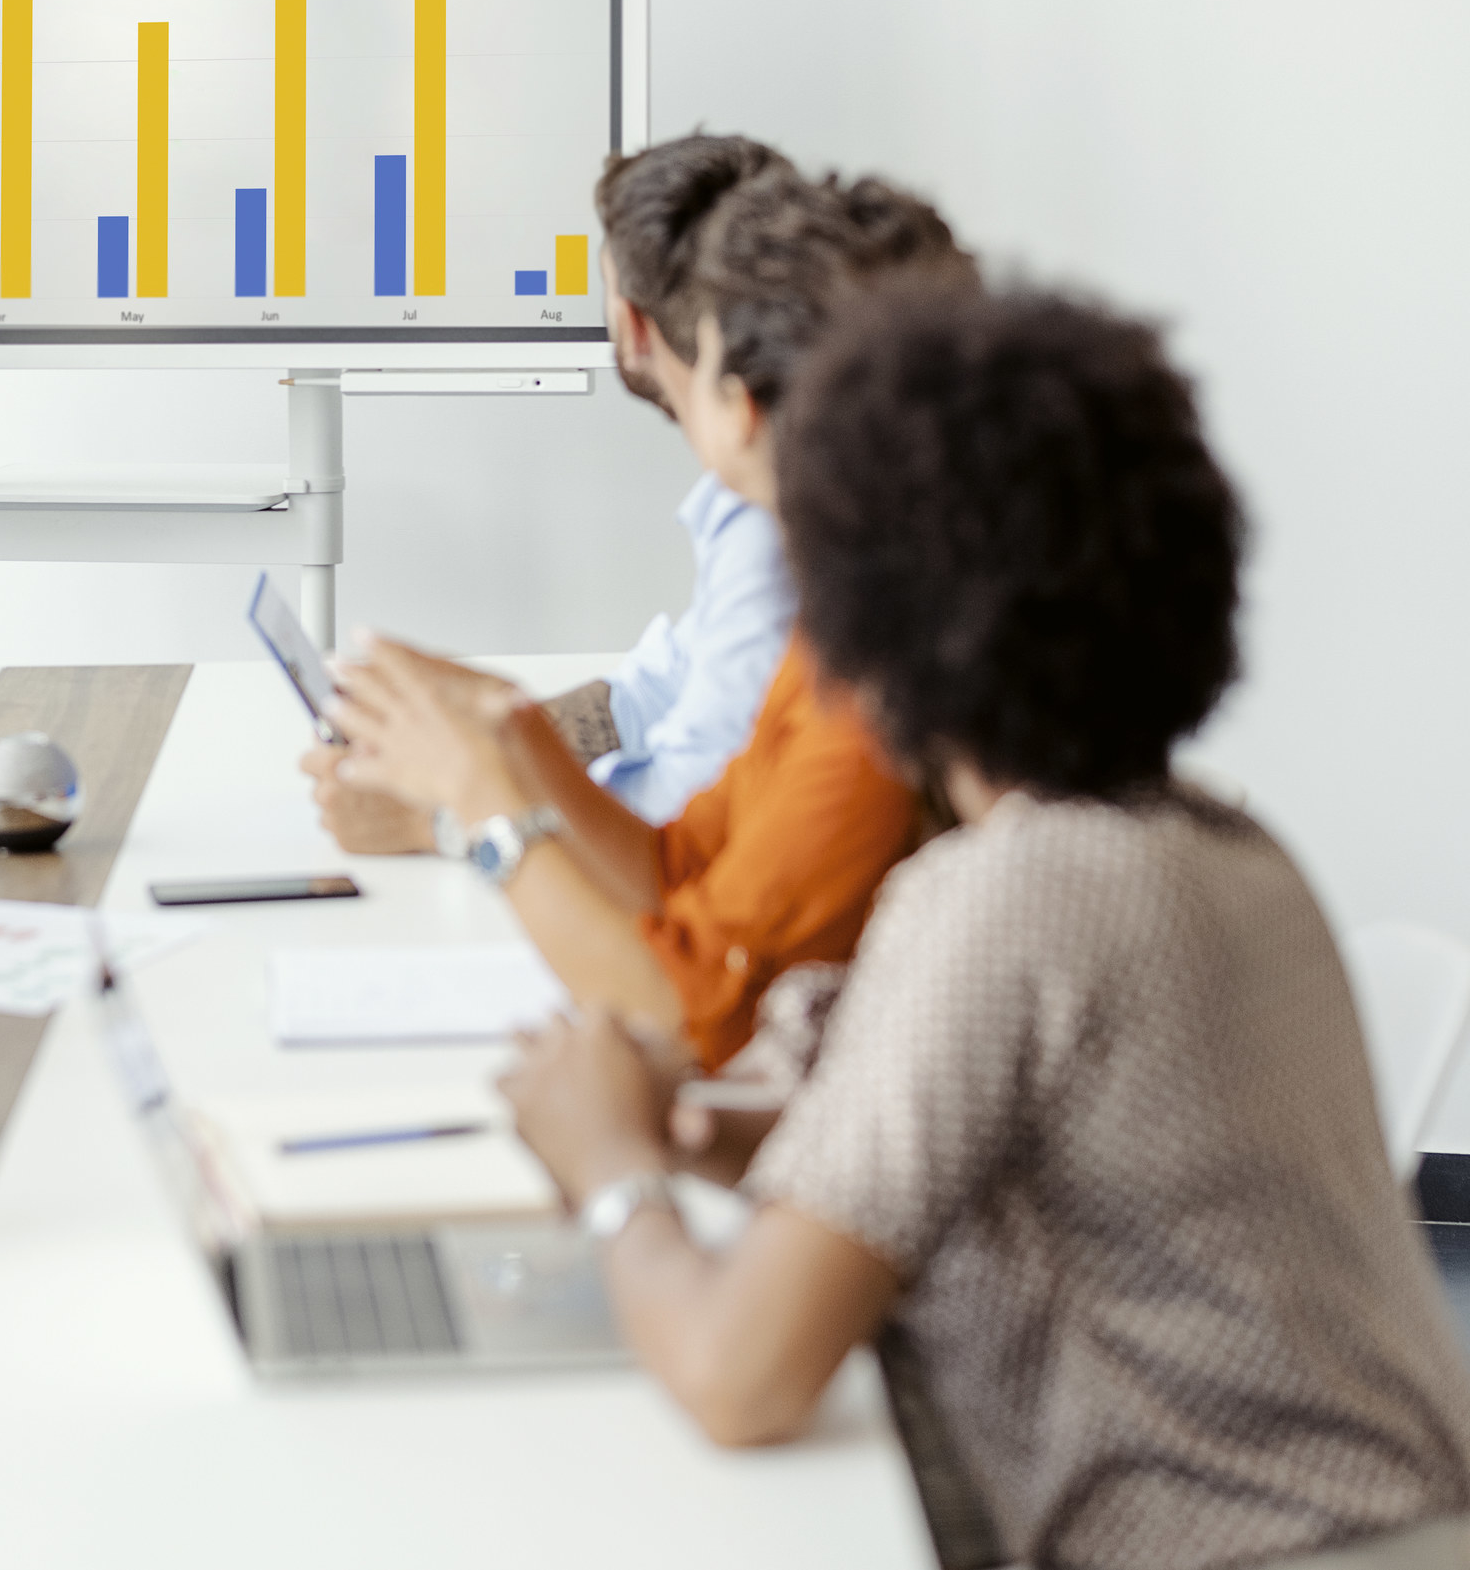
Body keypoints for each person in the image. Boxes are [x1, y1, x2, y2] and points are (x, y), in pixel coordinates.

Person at [499, 285, 1470, 1570]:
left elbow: (740, 1378)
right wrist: (715, 1140)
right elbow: (1037, 1164)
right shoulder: (1227, 849)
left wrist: (615, 1173)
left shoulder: (1007, 901)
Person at [329, 157, 970, 1068]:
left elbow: (686, 1011)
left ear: (739, 408)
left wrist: (480, 805)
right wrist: (506, 729)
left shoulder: (872, 703)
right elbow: (679, 869)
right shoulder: (831, 634)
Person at [306, 136, 840, 852]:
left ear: (632, 323)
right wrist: (494, 729)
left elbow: (693, 807)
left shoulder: (766, 511)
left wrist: (447, 814)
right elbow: (669, 683)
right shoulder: (742, 488)